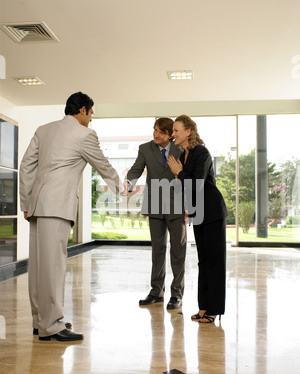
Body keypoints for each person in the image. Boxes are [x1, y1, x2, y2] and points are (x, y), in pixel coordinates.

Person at [19, 92, 125, 341]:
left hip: (37, 206)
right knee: (53, 267)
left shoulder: (43, 130)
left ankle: (40, 321)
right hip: (57, 207)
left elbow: (26, 166)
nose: (91, 119)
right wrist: (122, 187)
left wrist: (26, 202)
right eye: (91, 114)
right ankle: (52, 326)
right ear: (83, 110)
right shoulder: (84, 134)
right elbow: (103, 164)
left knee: (38, 267)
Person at [168, 115, 227, 323]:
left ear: (188, 132)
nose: (173, 134)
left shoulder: (201, 152)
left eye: (176, 130)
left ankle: (214, 309)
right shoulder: (185, 155)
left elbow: (197, 184)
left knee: (215, 263)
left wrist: (179, 173)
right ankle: (204, 307)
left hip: (213, 213)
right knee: (204, 262)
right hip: (199, 213)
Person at [125, 118, 187, 310]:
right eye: (155, 130)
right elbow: (136, 169)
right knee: (157, 250)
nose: (156, 135)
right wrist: (129, 182)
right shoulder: (145, 149)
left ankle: (176, 294)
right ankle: (156, 292)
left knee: (178, 251)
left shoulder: (181, 150)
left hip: (177, 207)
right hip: (155, 207)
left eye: (161, 132)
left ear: (170, 134)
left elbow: (188, 175)